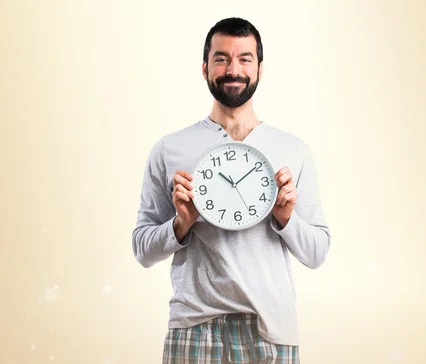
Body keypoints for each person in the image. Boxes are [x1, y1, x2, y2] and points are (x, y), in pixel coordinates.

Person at [132, 17, 331, 364]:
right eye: (221, 58)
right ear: (205, 67)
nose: (232, 69)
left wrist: (286, 220)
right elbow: (142, 249)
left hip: (270, 330)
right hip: (193, 326)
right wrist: (180, 226)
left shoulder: (293, 150)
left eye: (244, 58)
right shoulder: (170, 149)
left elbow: (317, 252)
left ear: (260, 68)